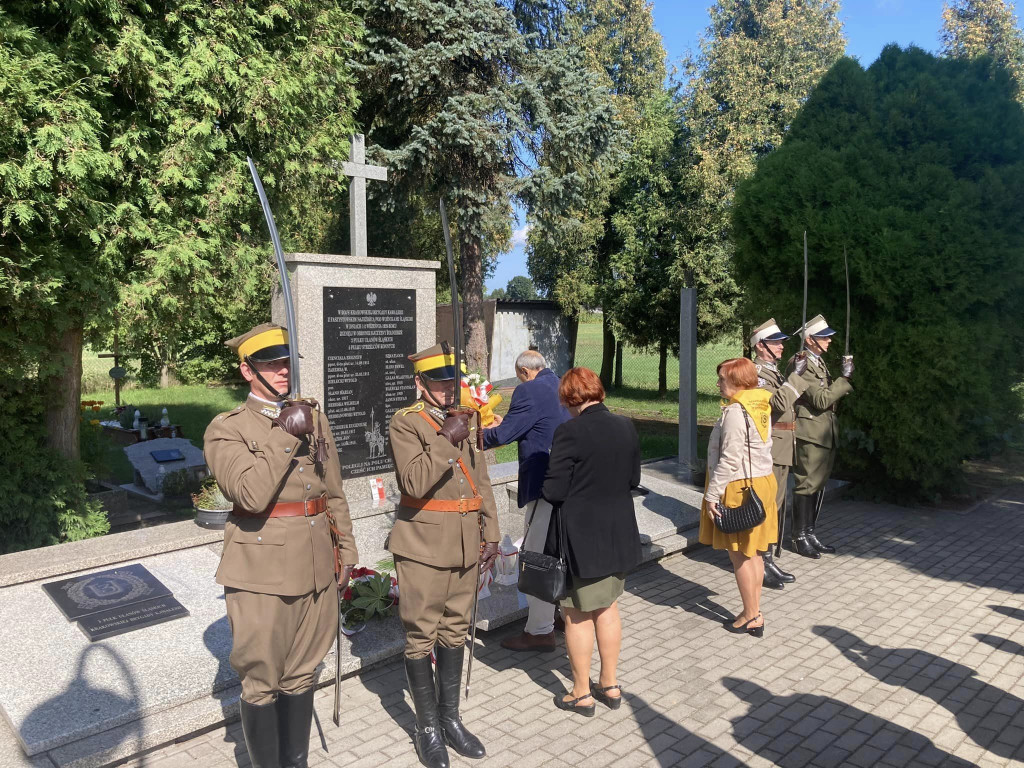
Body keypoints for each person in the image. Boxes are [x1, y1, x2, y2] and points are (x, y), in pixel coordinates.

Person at [204, 323, 358, 768]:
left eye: (287, 362)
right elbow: (249, 495)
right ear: (247, 371)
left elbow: (333, 490)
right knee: (262, 679)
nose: (283, 370)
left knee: (302, 672)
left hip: (315, 564)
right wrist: (285, 433)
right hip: (261, 571)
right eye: (271, 364)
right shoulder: (225, 429)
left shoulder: (313, 416)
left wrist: (346, 548)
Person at [388, 343, 500, 768]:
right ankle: (427, 728)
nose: (447, 391)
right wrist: (446, 439)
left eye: (452, 383)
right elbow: (414, 481)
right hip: (423, 547)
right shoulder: (407, 424)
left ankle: (450, 719)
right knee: (422, 635)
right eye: (438, 384)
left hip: (465, 542)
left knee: (455, 631)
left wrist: (490, 530)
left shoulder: (462, 419)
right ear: (420, 384)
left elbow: (481, 479)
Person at [542, 367, 641, 717]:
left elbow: (554, 491)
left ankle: (581, 692)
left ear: (570, 398)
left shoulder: (569, 432)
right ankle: (610, 683)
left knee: (577, 615)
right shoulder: (626, 425)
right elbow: (633, 478)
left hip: (581, 538)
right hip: (617, 534)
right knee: (609, 608)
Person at [481, 349, 570, 652]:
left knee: (537, 556)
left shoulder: (529, 389)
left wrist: (472, 435)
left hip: (544, 485)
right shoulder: (560, 384)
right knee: (557, 554)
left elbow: (504, 435)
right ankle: (558, 615)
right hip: (568, 484)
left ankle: (539, 631)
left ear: (522, 371)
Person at [699, 357, 778, 638]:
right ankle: (754, 608)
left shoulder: (735, 411)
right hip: (762, 481)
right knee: (753, 552)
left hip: (740, 484)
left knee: (741, 555)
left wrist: (712, 494)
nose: (718, 383)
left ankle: (751, 615)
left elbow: (730, 458)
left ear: (737, 380)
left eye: (722, 378)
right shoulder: (760, 401)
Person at [787, 314, 853, 558]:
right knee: (806, 484)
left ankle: (810, 532)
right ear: (810, 339)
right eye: (824, 337)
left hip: (823, 430)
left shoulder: (817, 362)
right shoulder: (801, 363)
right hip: (810, 431)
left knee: (817, 484)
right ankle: (799, 536)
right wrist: (844, 379)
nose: (829, 341)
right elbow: (821, 399)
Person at [751, 319, 810, 590]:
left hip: (783, 444)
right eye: (775, 342)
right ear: (760, 347)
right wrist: (797, 376)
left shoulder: (773, 371)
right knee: (767, 506)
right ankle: (760, 561)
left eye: (781, 341)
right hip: (772, 446)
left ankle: (768, 558)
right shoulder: (757, 373)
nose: (781, 346)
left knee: (776, 505)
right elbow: (777, 404)